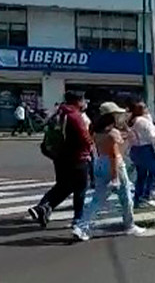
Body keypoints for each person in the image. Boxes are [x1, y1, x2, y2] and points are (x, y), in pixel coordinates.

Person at [71, 102, 145, 241]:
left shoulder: (96, 131)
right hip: (114, 164)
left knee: (97, 200)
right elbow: (114, 155)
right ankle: (129, 225)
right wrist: (115, 177)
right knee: (126, 198)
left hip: (99, 163)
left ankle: (81, 226)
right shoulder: (112, 133)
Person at [28, 91, 93, 228]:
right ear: (78, 101)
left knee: (63, 186)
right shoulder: (75, 116)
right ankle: (78, 219)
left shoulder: (58, 113)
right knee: (80, 189)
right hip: (77, 158)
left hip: (59, 158)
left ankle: (44, 207)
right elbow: (84, 137)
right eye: (83, 100)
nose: (85, 103)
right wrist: (90, 146)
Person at [129, 101, 155, 208]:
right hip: (146, 149)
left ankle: (138, 198)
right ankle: (147, 195)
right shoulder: (144, 121)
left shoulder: (132, 121)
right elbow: (153, 137)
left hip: (135, 149)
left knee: (141, 175)